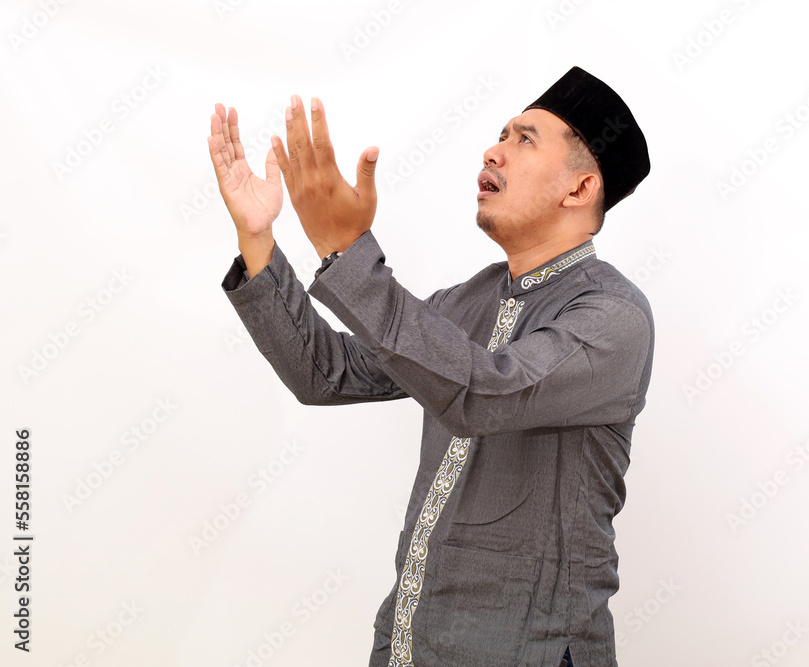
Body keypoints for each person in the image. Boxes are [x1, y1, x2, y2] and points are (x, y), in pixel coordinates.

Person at [208, 66, 654, 667]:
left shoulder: (612, 317)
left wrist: (345, 252)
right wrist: (257, 238)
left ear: (579, 189)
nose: (494, 150)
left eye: (524, 139)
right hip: (409, 644)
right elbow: (325, 372)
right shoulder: (467, 301)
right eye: (501, 133)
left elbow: (484, 394)